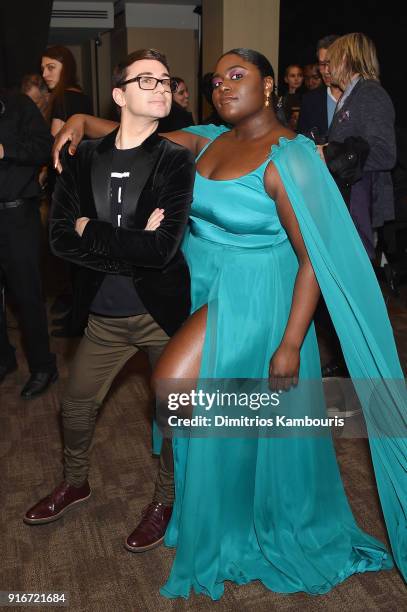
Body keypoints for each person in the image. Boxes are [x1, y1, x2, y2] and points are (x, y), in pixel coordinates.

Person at [50, 48, 406, 598]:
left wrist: (290, 344)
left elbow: (312, 256)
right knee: (199, 403)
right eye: (216, 80)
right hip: (204, 284)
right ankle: (215, 501)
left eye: (237, 75)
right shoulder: (209, 139)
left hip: (254, 296)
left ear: (268, 86)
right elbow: (141, 133)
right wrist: (79, 119)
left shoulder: (291, 156)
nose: (222, 85)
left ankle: (212, 501)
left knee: (172, 386)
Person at [23, 49, 195, 556]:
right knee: (75, 407)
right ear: (119, 95)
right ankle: (75, 482)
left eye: (166, 80)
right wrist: (127, 241)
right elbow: (58, 238)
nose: (162, 87)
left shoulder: (175, 160)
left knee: (174, 417)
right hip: (102, 314)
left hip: (160, 316)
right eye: (148, 80)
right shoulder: (83, 158)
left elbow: (162, 250)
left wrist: (92, 231)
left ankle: (166, 500)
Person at [0, 89, 57, 398]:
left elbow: (44, 147)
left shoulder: (17, 104)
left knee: (26, 295)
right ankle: (3, 359)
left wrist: (4, 149)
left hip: (17, 216)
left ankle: (43, 367)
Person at [325, 32, 396, 259]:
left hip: (360, 199)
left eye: (331, 60)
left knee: (355, 273)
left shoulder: (370, 93)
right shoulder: (352, 94)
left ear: (345, 59)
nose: (326, 68)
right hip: (347, 198)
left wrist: (327, 153)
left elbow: (385, 154)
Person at [41, 46, 93, 337]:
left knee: (69, 253)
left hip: (65, 186)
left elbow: (53, 145)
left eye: (51, 67)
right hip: (83, 182)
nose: (45, 74)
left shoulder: (61, 99)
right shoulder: (82, 96)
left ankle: (78, 320)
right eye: (43, 68)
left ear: (65, 67)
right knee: (80, 252)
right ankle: (79, 315)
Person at [297, 34, 341, 142]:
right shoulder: (309, 100)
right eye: (322, 64)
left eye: (330, 63)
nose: (326, 71)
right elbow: (302, 144)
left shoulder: (358, 97)